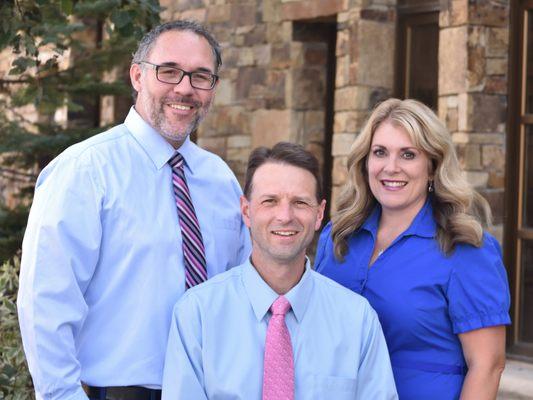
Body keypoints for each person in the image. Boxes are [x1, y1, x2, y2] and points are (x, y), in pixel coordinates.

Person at [17, 20, 251, 400]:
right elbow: (45, 303)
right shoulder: (85, 171)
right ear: (137, 76)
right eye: (169, 71)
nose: (185, 88)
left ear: (213, 88)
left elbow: (241, 291)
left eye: (200, 76)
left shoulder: (221, 181)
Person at [161, 142, 398, 400]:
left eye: (299, 202)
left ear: (319, 214)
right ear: (246, 211)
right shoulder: (197, 315)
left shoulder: (357, 319)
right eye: (270, 201)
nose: (285, 216)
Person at [315, 98, 511, 399]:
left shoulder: (465, 248)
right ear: (365, 161)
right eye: (380, 152)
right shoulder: (338, 237)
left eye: (408, 155)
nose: (390, 168)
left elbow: (488, 365)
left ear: (432, 167)